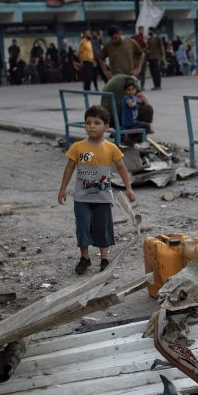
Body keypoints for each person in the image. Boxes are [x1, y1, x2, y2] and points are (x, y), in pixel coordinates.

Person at [57, 105, 136, 275]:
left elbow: (122, 168)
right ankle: (84, 258)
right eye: (88, 123)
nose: (91, 126)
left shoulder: (111, 148)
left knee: (103, 228)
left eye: (97, 122)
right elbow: (69, 168)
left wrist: (128, 188)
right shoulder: (78, 147)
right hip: (81, 199)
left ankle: (104, 259)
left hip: (103, 199)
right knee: (83, 227)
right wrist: (63, 189)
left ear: (106, 126)